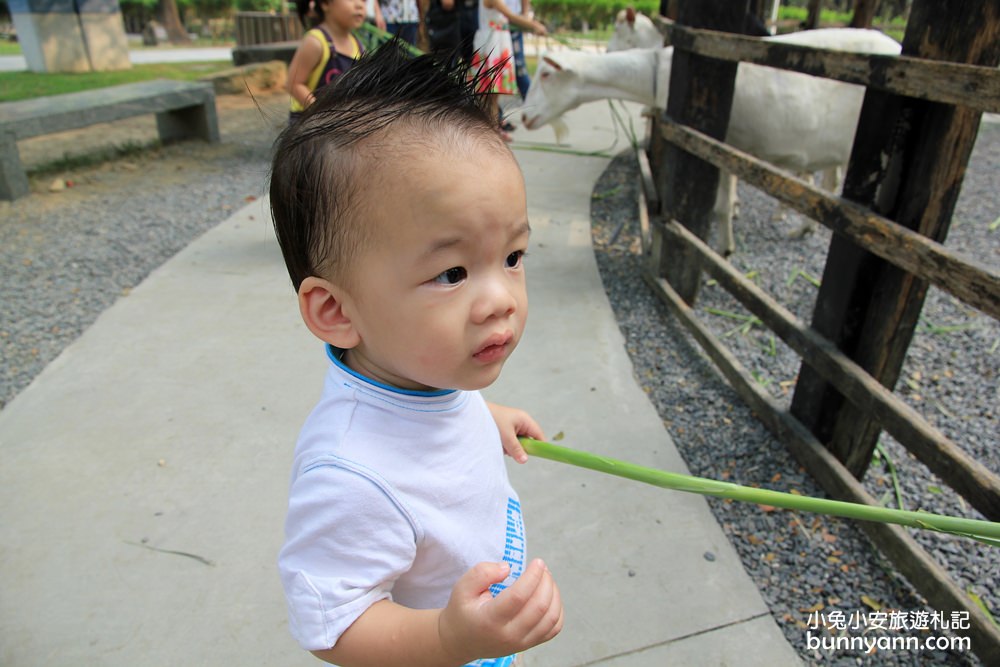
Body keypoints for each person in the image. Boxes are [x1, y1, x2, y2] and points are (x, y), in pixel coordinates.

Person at [269, 41, 564, 666]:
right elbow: (333, 623)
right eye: (452, 273)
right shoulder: (350, 476)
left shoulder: (420, 372)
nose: (499, 300)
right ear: (337, 312)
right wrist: (448, 640)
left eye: (512, 258)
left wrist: (483, 417)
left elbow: (427, 421)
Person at [470, 0, 546, 141]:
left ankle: (493, 129)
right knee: (489, 93)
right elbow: (510, 15)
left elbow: (508, 19)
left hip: (499, 42)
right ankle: (490, 130)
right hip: (491, 44)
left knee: (493, 94)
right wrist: (534, 26)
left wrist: (530, 24)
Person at [287, 0, 368, 122]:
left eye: (363, 0)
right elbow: (293, 84)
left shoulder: (359, 46)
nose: (359, 5)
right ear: (325, 4)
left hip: (339, 123)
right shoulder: (315, 42)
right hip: (308, 124)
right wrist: (322, 115)